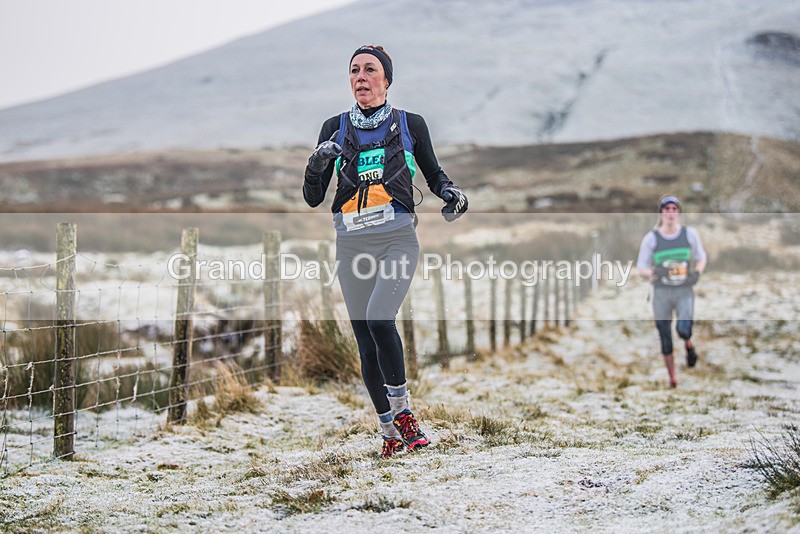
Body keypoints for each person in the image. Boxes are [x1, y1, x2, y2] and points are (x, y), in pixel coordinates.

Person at [303, 45, 468, 458]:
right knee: (364, 339)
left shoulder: (410, 124)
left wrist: (450, 193)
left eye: (370, 70)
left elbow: (433, 174)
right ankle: (389, 433)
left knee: (380, 319)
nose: (361, 76)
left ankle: (404, 413)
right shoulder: (333, 127)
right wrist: (317, 163)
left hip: (396, 238)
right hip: (351, 242)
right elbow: (312, 197)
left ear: (386, 80)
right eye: (354, 70)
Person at [636, 195, 707, 388]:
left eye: (674, 209)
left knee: (683, 329)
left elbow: (701, 257)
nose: (670, 213)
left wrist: (697, 273)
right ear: (661, 213)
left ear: (678, 213)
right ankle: (673, 378)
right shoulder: (651, 239)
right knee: (665, 337)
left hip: (684, 290)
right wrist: (654, 272)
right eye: (666, 209)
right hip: (661, 293)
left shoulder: (689, 234)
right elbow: (641, 267)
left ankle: (689, 346)